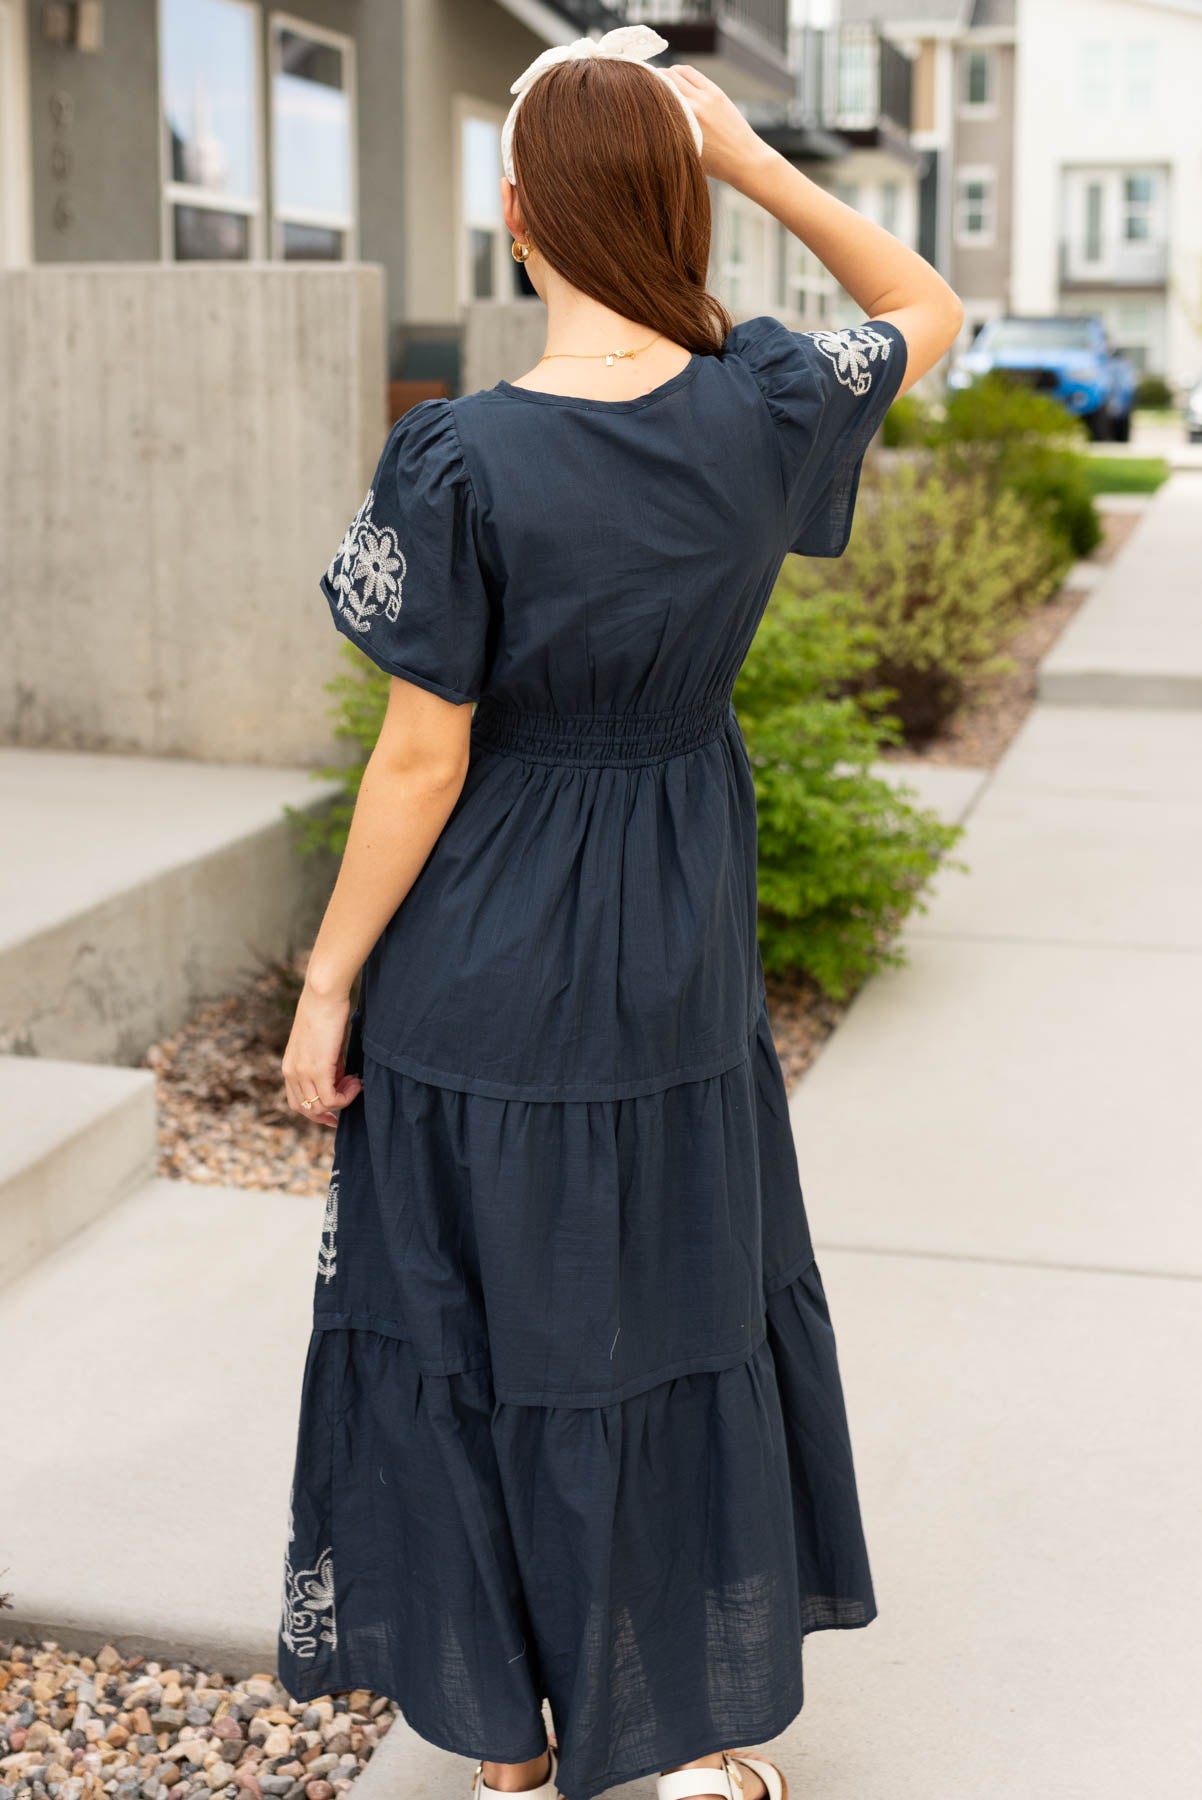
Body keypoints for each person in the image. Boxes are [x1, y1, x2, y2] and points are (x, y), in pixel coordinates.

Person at [276, 26, 963, 1800]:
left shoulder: (457, 460)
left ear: (512, 212)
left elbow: (422, 764)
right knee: (660, 1318)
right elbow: (926, 304)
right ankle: (677, 1739)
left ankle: (511, 1733)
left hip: (477, 955)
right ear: (676, 200)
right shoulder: (764, 406)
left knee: (471, 1323)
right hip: (667, 945)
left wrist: (329, 984)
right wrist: (745, 159)